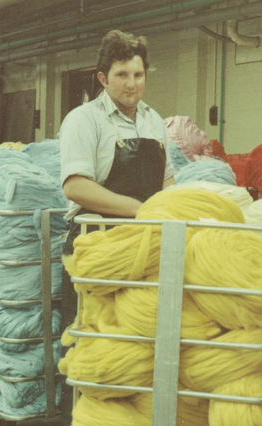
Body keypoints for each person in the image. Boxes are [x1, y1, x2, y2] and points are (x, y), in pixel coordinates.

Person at [58, 29, 176, 328]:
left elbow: (167, 182)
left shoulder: (154, 121)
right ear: (103, 79)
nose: (131, 84)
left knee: (138, 334)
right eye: (122, 75)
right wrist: (141, 210)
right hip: (96, 241)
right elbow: (76, 186)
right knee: (92, 335)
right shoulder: (84, 119)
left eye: (138, 75)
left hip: (145, 243)